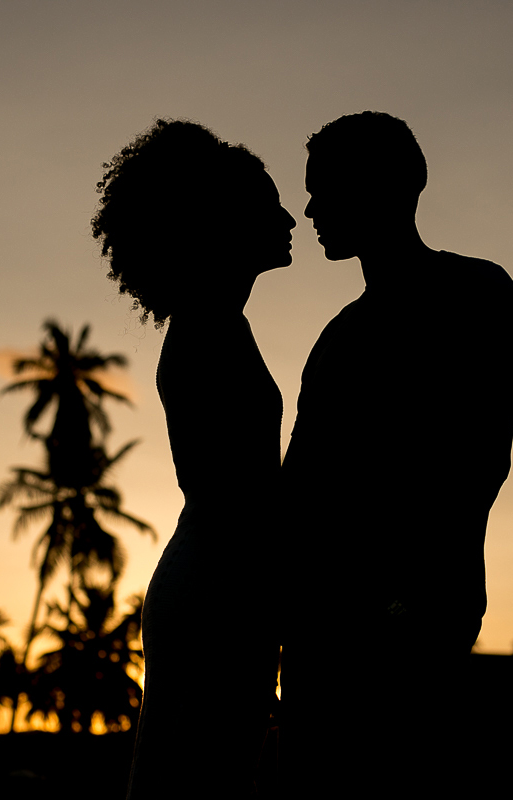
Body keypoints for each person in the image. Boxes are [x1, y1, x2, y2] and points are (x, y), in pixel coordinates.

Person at [279, 112, 513, 798]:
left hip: (411, 617)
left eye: (323, 190)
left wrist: (409, 600)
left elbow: (480, 458)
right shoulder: (336, 340)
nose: (309, 210)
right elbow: (298, 492)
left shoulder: (477, 294)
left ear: (383, 187)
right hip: (322, 630)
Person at [91, 119, 296, 799]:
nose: (289, 217)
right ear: (224, 220)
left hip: (215, 579)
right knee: (192, 799)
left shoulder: (217, 325)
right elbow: (241, 497)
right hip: (219, 587)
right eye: (268, 204)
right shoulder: (209, 331)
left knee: (190, 793)